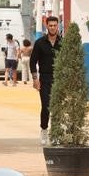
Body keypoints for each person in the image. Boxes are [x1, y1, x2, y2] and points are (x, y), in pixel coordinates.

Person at [30, 16, 62, 145]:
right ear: (46, 26)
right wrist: (35, 79)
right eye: (51, 25)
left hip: (59, 79)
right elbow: (32, 62)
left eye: (55, 25)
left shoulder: (63, 43)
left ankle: (55, 133)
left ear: (57, 26)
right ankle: (44, 130)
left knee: (57, 107)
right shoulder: (40, 43)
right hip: (44, 79)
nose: (53, 27)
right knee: (46, 106)